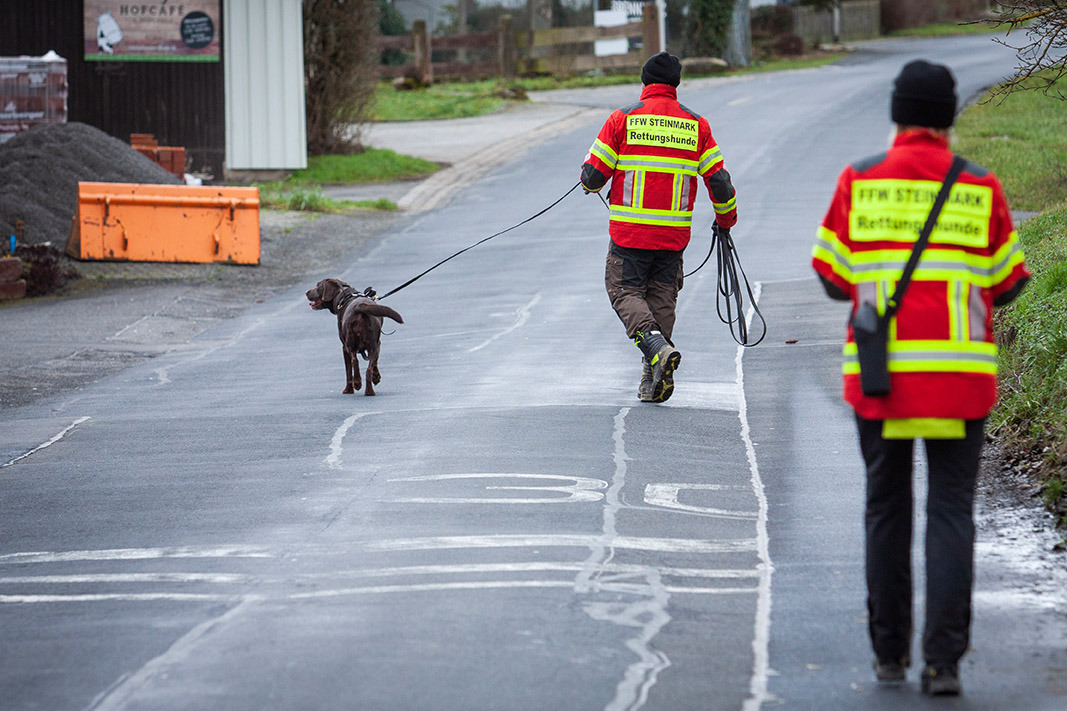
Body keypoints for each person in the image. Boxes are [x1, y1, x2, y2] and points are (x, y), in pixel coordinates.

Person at [811, 59, 1030, 696]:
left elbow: (830, 277)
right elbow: (1011, 283)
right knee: (951, 512)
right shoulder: (980, 188)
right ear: (949, 117)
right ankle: (944, 663)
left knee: (886, 507)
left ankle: (887, 657)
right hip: (960, 382)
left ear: (896, 113)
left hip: (881, 383)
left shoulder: (860, 180)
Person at [580, 51, 738, 403]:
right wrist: (726, 221)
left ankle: (655, 348)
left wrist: (588, 182)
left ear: (644, 82)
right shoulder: (697, 125)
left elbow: (592, 177)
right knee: (661, 299)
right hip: (672, 237)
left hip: (630, 234)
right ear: (676, 85)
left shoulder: (623, 119)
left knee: (624, 293)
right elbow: (721, 183)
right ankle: (654, 374)